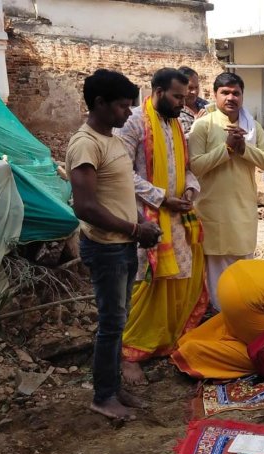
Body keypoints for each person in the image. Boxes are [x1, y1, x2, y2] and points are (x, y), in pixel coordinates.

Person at [67, 69, 161, 420]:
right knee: (110, 323)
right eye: (122, 106)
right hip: (106, 247)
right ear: (99, 103)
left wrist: (136, 229)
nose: (128, 113)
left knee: (119, 320)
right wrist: (137, 231)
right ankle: (102, 395)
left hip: (122, 244)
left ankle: (113, 386)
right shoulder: (85, 144)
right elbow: (86, 207)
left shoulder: (111, 139)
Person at [115, 68, 208, 385]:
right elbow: (122, 173)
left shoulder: (176, 124)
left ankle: (166, 341)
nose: (183, 103)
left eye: (185, 97)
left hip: (178, 218)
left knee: (179, 281)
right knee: (148, 284)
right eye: (177, 96)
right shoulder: (133, 124)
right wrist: (161, 198)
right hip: (148, 220)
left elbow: (187, 169)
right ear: (156, 91)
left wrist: (189, 191)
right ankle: (130, 353)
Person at [189, 72, 264, 310]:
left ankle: (239, 319)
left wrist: (243, 149)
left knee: (242, 274)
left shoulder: (253, 126)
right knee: (217, 278)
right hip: (213, 213)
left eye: (235, 93)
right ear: (214, 95)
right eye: (225, 92)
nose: (231, 97)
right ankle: (219, 320)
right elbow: (195, 165)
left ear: (242, 96)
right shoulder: (203, 125)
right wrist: (226, 149)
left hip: (244, 212)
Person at [177, 66, 209, 135]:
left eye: (196, 87)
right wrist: (196, 125)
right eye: (190, 88)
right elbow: (179, 141)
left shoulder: (205, 104)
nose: (194, 92)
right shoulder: (174, 112)